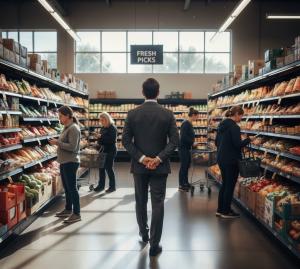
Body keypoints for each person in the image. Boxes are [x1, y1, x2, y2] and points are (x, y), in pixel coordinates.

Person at [122, 78, 179, 257]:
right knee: (158, 203)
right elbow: (174, 141)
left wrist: (142, 158)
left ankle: (144, 234)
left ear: (142, 92)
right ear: (158, 92)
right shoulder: (168, 114)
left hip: (139, 167)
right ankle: (155, 244)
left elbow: (125, 141)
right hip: (159, 168)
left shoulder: (132, 114)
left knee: (140, 201)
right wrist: (159, 158)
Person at [215, 106, 251, 219]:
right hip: (231, 160)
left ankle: (220, 209)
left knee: (225, 184)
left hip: (221, 159)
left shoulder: (221, 125)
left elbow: (216, 142)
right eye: (241, 116)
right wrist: (249, 140)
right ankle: (226, 211)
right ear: (236, 114)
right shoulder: (234, 127)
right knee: (229, 186)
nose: (241, 118)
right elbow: (238, 144)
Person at [49, 106, 81, 224]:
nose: (59, 119)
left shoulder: (74, 128)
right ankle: (68, 209)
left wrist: (58, 142)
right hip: (64, 162)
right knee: (67, 188)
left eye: (61, 116)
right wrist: (58, 142)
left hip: (70, 162)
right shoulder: (67, 127)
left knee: (72, 188)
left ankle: (77, 213)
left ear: (67, 116)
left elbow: (72, 147)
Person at [94, 112, 117, 193]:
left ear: (106, 119)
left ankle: (112, 186)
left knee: (109, 168)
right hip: (102, 150)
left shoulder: (112, 128)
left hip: (110, 150)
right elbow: (101, 140)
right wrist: (98, 140)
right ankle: (101, 186)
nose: (101, 122)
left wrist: (101, 136)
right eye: (100, 120)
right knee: (101, 168)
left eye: (102, 120)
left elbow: (112, 140)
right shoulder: (102, 128)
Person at [178, 107, 199, 192]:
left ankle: (185, 183)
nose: (198, 118)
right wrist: (192, 142)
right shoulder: (186, 123)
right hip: (183, 148)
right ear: (193, 115)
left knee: (186, 166)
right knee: (184, 166)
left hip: (186, 148)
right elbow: (183, 137)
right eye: (197, 116)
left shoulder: (189, 123)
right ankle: (181, 185)